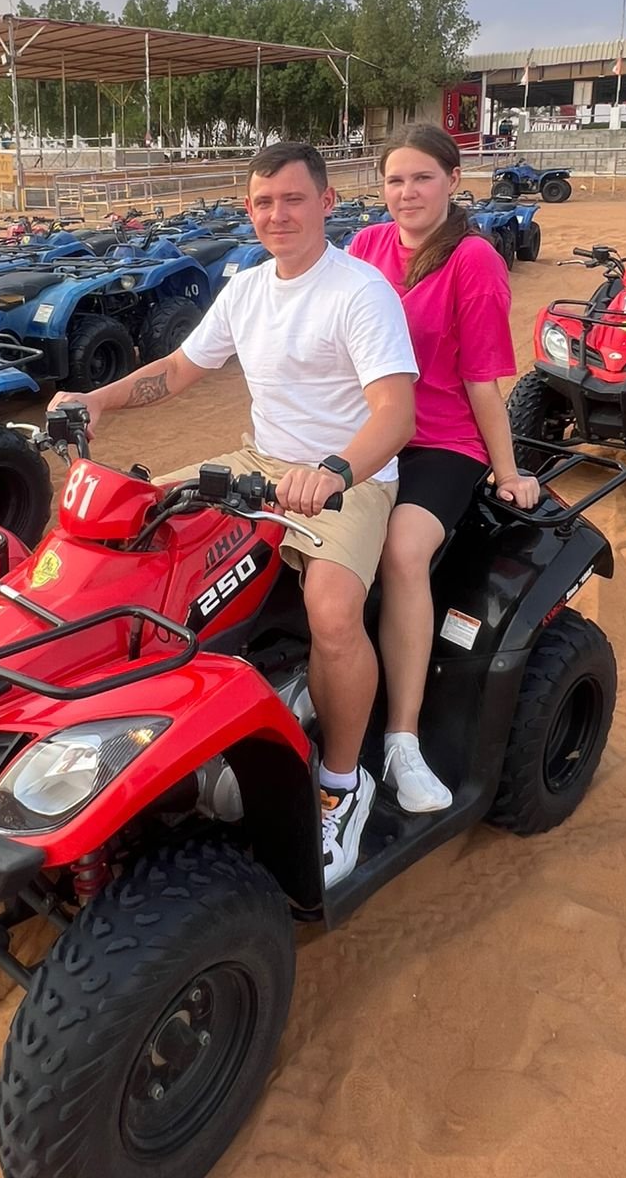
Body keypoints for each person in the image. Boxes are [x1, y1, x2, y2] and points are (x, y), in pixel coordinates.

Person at [52, 142, 417, 888]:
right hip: (259, 463)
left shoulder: (360, 290)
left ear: (325, 201)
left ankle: (342, 785)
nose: (276, 214)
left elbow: (395, 412)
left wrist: (337, 471)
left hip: (351, 477)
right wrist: (95, 402)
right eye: (262, 202)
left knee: (333, 610)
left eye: (291, 199)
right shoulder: (247, 288)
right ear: (247, 210)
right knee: (132, 524)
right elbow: (181, 370)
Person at [347, 125, 539, 813]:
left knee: (402, 551)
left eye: (422, 178)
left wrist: (508, 468)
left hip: (441, 440)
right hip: (371, 429)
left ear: (453, 180)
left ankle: (402, 738)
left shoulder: (473, 260)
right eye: (395, 180)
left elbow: (483, 379)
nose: (407, 193)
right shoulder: (366, 247)